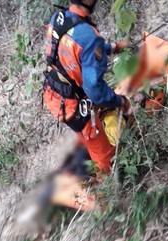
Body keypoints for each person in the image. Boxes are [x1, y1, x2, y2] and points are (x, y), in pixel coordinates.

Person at [43, 0, 132, 177]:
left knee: (86, 135)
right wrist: (121, 101)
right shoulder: (88, 36)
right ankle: (106, 192)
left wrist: (113, 47)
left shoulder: (59, 18)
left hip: (53, 93)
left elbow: (79, 49)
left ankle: (87, 153)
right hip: (73, 106)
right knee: (104, 156)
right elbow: (96, 92)